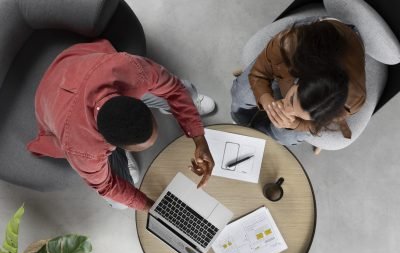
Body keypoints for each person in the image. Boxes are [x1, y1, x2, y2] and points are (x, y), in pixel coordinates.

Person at [27, 39, 216, 211]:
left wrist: (199, 137)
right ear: (113, 146)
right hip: (52, 101)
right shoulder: (83, 150)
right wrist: (152, 207)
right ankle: (120, 158)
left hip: (77, 64)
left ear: (135, 100)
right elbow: (106, 186)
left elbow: (174, 88)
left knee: (184, 94)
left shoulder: (130, 69)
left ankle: (191, 105)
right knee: (120, 204)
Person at [231, 17, 366, 146]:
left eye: (298, 114)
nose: (287, 111)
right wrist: (267, 103)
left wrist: (294, 124)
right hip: (319, 37)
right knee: (241, 94)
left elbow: (319, 124)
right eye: (290, 100)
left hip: (346, 47)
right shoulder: (288, 44)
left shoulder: (352, 101)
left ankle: (258, 135)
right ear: (299, 79)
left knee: (286, 136)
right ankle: (241, 121)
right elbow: (259, 73)